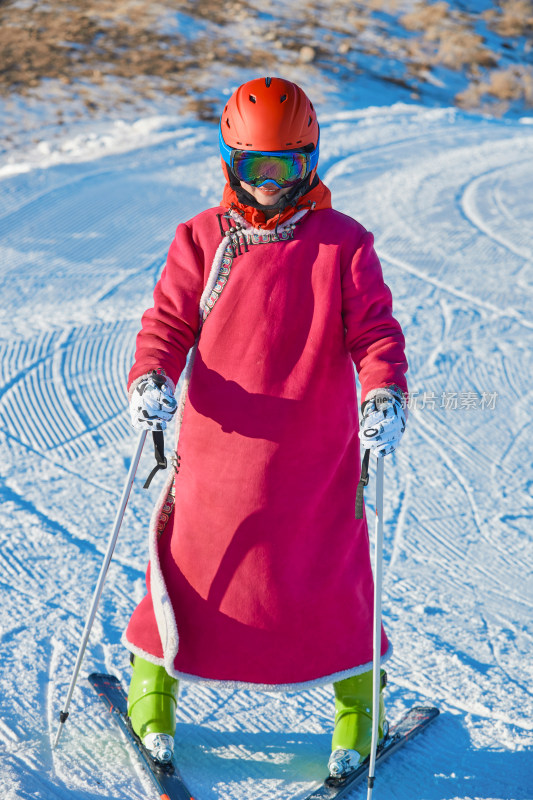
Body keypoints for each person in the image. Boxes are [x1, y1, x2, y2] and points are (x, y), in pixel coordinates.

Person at [125, 76, 408, 778]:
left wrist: (383, 393)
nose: (273, 185)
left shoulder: (343, 244)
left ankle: (357, 715)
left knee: (326, 581)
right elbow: (166, 323)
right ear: (229, 161)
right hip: (218, 455)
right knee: (192, 573)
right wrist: (151, 376)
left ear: (311, 159)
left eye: (288, 167)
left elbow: (375, 332)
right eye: (257, 167)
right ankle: (150, 696)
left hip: (316, 458)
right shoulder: (201, 237)